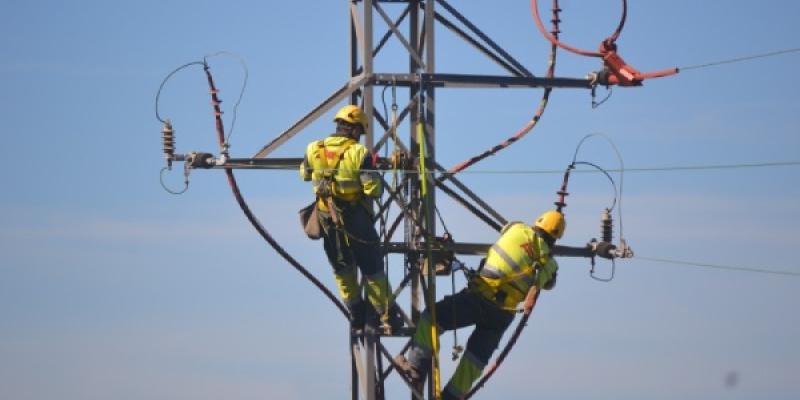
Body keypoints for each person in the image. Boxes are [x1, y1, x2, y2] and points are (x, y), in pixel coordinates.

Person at [395, 210, 565, 399]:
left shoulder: (517, 229)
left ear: (537, 224)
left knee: (432, 318)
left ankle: (415, 369)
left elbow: (506, 229)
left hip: (481, 297)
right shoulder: (550, 265)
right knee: (476, 359)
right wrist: (545, 254)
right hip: (502, 316)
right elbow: (549, 284)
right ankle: (451, 396)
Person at [300, 104, 401, 332]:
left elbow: (305, 174)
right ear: (355, 130)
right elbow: (373, 190)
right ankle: (386, 315)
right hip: (355, 219)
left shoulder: (313, 148)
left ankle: (355, 312)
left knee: (341, 267)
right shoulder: (359, 153)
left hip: (327, 219)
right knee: (372, 267)